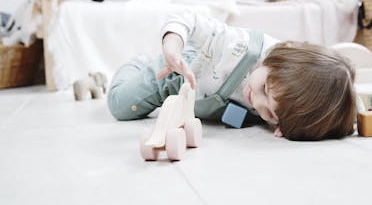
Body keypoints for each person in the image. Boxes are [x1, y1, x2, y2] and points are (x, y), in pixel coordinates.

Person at [107, 11, 357, 141]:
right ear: (280, 56)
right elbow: (188, 19)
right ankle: (137, 63)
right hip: (179, 70)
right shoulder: (239, 47)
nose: (256, 103)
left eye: (270, 113)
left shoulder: (289, 104)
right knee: (120, 105)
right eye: (265, 89)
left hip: (197, 97)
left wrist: (286, 125)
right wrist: (173, 45)